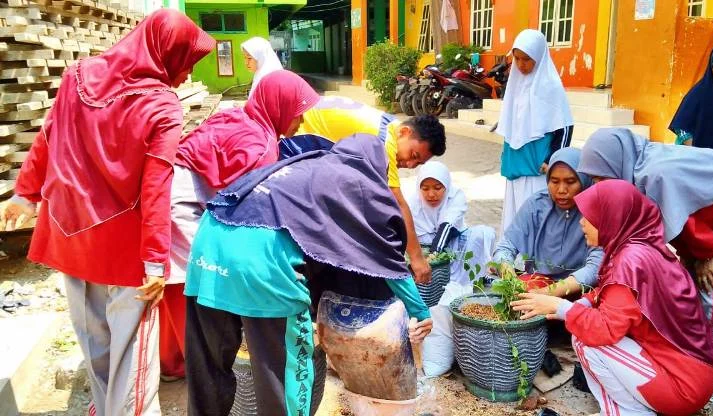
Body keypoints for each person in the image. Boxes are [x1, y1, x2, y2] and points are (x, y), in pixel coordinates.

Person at [0, 10, 214, 415]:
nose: (185, 74)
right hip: (125, 250)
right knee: (132, 351)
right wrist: (155, 258)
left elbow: (49, 134)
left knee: (94, 338)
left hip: (70, 236)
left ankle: (106, 407)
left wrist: (25, 194)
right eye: (186, 60)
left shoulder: (77, 76)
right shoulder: (161, 105)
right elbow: (156, 186)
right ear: (165, 52)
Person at [183, 135, 433, 415]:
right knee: (283, 380)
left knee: (208, 368)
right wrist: (419, 310)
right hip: (262, 257)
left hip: (208, 242)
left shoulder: (305, 166)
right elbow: (386, 254)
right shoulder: (355, 180)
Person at [577, 127, 713, 374]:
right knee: (695, 280)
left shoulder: (653, 174)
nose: (598, 186)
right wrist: (693, 257)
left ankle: (712, 369)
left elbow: (680, 221)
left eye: (600, 178)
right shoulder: (639, 166)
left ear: (615, 162)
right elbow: (674, 223)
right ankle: (699, 351)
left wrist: (706, 254)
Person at [159, 70, 319, 380]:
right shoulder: (261, 147)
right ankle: (195, 368)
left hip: (167, 191)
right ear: (280, 106)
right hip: (181, 205)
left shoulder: (241, 117)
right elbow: (249, 214)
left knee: (175, 284)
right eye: (297, 115)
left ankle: (172, 362)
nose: (300, 124)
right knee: (198, 282)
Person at [512, 180, 713, 416]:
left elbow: (605, 329)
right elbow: (615, 296)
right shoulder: (644, 247)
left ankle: (627, 412)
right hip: (698, 372)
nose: (582, 222)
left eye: (590, 217)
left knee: (586, 340)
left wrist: (562, 308)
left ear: (611, 218)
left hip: (683, 388)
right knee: (584, 326)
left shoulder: (629, 261)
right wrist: (580, 303)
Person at [286, 95, 448, 284]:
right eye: (413, 155)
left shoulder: (390, 126)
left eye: (418, 163)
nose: (410, 164)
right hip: (296, 137)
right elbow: (397, 203)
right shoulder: (386, 141)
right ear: (404, 132)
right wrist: (417, 258)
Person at [493, 147, 602, 298]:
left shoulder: (596, 209)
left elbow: (596, 268)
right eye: (554, 181)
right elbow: (505, 247)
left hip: (580, 289)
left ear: (584, 180)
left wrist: (547, 294)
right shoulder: (537, 205)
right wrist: (508, 274)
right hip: (538, 283)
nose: (562, 190)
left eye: (571, 182)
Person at [496, 29, 574, 231]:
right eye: (517, 58)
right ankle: (511, 260)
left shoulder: (550, 86)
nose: (521, 65)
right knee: (514, 216)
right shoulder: (514, 84)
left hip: (538, 167)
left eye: (527, 59)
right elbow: (510, 124)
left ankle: (534, 262)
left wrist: (553, 160)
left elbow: (565, 127)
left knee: (536, 217)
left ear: (539, 57)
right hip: (516, 164)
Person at [405, 160, 496, 304]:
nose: (431, 194)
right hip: (422, 250)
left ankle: (471, 280)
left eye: (437, 187)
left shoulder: (456, 196)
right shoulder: (412, 203)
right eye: (425, 188)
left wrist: (433, 254)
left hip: (452, 244)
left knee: (484, 233)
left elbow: (446, 227)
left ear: (446, 186)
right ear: (419, 188)